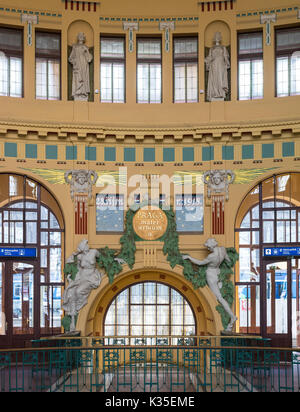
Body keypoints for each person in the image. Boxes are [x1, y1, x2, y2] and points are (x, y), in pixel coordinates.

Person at [182, 238, 237, 331]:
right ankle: (232, 316)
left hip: (211, 275)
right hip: (218, 273)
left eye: (208, 247)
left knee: (217, 298)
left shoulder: (211, 256)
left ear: (211, 246)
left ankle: (232, 316)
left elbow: (200, 263)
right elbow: (228, 261)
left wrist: (189, 257)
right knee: (219, 297)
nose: (208, 249)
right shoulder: (222, 250)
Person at [205, 32, 230, 101]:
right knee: (214, 78)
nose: (217, 37)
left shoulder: (223, 47)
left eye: (218, 36)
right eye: (216, 36)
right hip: (214, 64)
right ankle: (215, 93)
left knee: (220, 78)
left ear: (220, 38)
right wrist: (207, 60)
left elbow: (225, 56)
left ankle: (221, 93)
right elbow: (209, 57)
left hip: (221, 64)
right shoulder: (211, 48)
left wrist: (227, 63)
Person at [68, 32, 93, 101]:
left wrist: (86, 51)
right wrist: (74, 63)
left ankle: (83, 92)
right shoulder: (75, 47)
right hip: (78, 66)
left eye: (82, 36)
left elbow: (89, 59)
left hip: (84, 66)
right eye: (80, 36)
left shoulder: (86, 47)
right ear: (78, 37)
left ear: (84, 38)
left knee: (84, 78)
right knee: (78, 78)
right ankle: (78, 92)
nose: (81, 37)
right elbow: (70, 58)